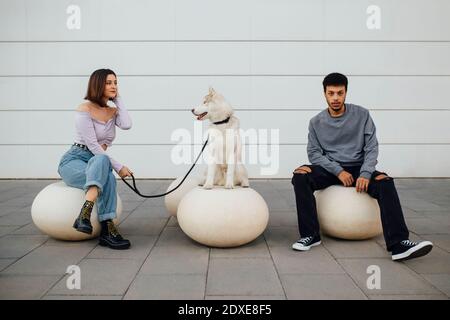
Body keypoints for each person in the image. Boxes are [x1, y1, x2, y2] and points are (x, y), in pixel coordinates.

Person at [291, 72, 433, 262]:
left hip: (359, 167)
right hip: (331, 169)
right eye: (331, 93)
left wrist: (366, 173)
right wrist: (338, 171)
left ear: (346, 93)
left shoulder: (362, 114)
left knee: (386, 183)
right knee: (300, 176)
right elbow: (314, 153)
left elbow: (371, 147)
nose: (335, 98)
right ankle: (310, 235)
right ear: (324, 93)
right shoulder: (316, 122)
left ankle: (399, 244)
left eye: (339, 93)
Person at [58, 68, 133, 250]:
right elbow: (93, 146)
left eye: (115, 82)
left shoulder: (112, 111)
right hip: (75, 159)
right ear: (98, 84)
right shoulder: (84, 109)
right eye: (108, 83)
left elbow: (127, 124)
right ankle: (108, 230)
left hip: (98, 160)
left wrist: (118, 100)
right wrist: (119, 167)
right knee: (106, 172)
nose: (113, 86)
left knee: (102, 163)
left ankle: (84, 216)